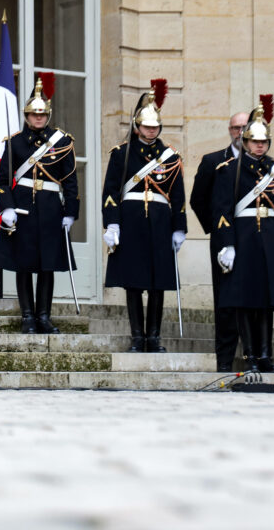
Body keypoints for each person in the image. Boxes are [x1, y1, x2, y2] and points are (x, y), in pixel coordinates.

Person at [102, 79, 187, 353]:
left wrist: (179, 227)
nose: (151, 131)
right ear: (137, 127)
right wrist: (112, 222)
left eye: (155, 127)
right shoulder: (122, 154)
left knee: (158, 283)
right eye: (147, 126)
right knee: (134, 282)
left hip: (161, 223)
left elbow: (178, 195)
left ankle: (154, 337)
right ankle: (138, 337)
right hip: (132, 220)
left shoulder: (170, 157)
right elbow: (111, 192)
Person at [0, 74, 79, 334]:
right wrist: (6, 206)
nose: (38, 118)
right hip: (23, 209)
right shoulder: (15, 142)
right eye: (33, 114)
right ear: (27, 116)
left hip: (51, 208)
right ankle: (27, 316)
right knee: (24, 264)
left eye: (42, 115)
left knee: (47, 265)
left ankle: (44, 316)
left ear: (48, 115)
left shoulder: (62, 142)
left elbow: (71, 180)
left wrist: (71, 213)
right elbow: (2, 180)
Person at [211, 97, 274, 373]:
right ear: (245, 142)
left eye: (263, 142)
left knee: (266, 301)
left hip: (270, 239)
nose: (259, 146)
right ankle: (250, 356)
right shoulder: (229, 170)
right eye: (255, 142)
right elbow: (222, 211)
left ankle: (266, 355)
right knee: (244, 301)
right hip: (243, 239)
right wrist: (227, 244)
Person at [189, 111, 248, 372]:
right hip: (224, 242)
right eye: (236, 128)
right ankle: (224, 361)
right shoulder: (213, 161)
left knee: (254, 300)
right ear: (229, 130)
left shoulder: (266, 164)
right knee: (225, 302)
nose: (241, 132)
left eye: (246, 127)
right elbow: (198, 199)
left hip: (253, 241)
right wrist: (216, 230)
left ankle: (255, 356)